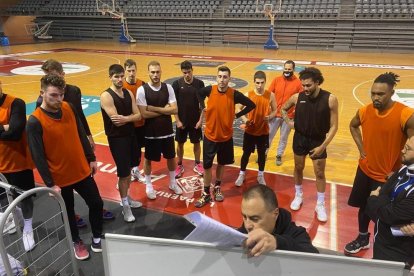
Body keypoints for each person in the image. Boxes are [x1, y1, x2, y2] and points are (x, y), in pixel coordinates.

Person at [27, 74, 104, 260]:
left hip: (81, 170)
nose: (59, 99)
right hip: (60, 179)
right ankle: (76, 240)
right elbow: (38, 157)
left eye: (61, 94)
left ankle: (96, 236)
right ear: (42, 93)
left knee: (96, 203)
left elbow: (80, 133)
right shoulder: (35, 121)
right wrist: (50, 184)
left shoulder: (68, 107)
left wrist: (91, 158)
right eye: (54, 95)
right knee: (68, 211)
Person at [37, 59, 114, 227]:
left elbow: (80, 116)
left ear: (62, 74)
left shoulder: (74, 91)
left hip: (77, 142)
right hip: (60, 155)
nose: (49, 78)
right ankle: (72, 215)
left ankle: (95, 208)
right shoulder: (41, 104)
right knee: (66, 195)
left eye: (52, 74)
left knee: (89, 180)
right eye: (46, 75)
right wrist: (49, 180)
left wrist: (89, 136)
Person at [345, 72, 414, 254]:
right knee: (364, 207)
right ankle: (362, 238)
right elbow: (352, 125)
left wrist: (400, 172)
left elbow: (412, 148)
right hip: (365, 169)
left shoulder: (405, 115)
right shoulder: (364, 111)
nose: (375, 97)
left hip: (388, 175)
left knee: (384, 215)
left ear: (392, 92)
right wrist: (361, 149)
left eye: (380, 94)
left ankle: (384, 246)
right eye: (373, 93)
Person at [281, 67, 338, 222]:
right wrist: (290, 123)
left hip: (318, 140)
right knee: (298, 168)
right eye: (303, 85)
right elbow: (283, 109)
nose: (305, 88)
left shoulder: (330, 99)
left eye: (308, 85)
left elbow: (334, 126)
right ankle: (298, 195)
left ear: (317, 83)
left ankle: (320, 204)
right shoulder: (297, 97)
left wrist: (323, 146)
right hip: (300, 138)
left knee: (319, 173)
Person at [194, 66, 255, 208]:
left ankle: (217, 187)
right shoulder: (210, 90)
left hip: (226, 137)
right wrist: (203, 105)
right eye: (220, 76)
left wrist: (238, 115)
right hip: (210, 136)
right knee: (207, 167)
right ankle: (206, 193)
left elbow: (251, 104)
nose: (222, 80)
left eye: (225, 77)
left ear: (229, 79)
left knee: (221, 163)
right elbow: (198, 93)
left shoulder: (234, 94)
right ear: (216, 78)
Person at [100, 64, 143, 223]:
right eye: (116, 77)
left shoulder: (128, 93)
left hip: (131, 136)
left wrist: (126, 119)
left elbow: (138, 115)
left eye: (121, 76)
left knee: (131, 170)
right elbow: (116, 121)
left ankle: (127, 198)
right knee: (123, 173)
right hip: (117, 139)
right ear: (110, 77)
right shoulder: (106, 96)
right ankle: (125, 206)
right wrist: (128, 118)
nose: (119, 79)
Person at [365, 136, 414, 269]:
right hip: (381, 240)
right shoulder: (405, 168)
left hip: (397, 251)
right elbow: (384, 194)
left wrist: (373, 199)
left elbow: (389, 214)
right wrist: (381, 204)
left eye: (408, 149)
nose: (402, 151)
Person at [136, 61, 183, 200]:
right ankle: (149, 185)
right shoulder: (142, 90)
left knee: (170, 157)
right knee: (149, 159)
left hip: (167, 131)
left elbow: (175, 109)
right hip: (151, 133)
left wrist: (154, 108)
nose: (155, 75)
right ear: (148, 73)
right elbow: (144, 114)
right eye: (152, 72)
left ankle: (173, 182)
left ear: (161, 72)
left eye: (157, 72)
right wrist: (165, 110)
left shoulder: (168, 88)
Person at [0, 79, 35, 252]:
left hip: (18, 162)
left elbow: (14, 132)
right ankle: (17, 218)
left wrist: (9, 128)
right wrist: (3, 127)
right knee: (7, 198)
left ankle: (28, 227)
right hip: (0, 166)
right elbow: (8, 129)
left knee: (25, 198)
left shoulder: (16, 103)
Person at [238, 185, 319, 256]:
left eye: (255, 219)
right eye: (244, 217)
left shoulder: (297, 234)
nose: (247, 226)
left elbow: (314, 258)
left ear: (275, 214)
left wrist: (278, 242)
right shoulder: (240, 234)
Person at [235, 71, 276, 186]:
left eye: (262, 83)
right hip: (250, 131)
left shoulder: (270, 95)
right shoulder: (248, 95)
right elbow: (238, 109)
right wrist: (245, 120)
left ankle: (260, 175)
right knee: (246, 154)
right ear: (254, 82)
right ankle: (242, 174)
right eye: (257, 83)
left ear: (265, 82)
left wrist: (270, 117)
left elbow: (275, 110)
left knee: (262, 155)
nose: (259, 85)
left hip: (263, 131)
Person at [172, 61, 205, 179]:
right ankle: (179, 165)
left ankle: (197, 164)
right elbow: (174, 105)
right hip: (182, 121)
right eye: (184, 72)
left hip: (195, 121)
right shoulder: (176, 84)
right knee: (180, 144)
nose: (187, 74)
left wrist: (200, 121)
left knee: (196, 143)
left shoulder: (200, 84)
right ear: (182, 72)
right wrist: (177, 121)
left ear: (192, 70)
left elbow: (202, 105)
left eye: (189, 72)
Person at [267, 60, 302, 166]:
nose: (287, 71)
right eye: (285, 69)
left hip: (288, 116)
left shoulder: (298, 83)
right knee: (268, 136)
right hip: (274, 115)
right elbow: (269, 94)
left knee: (283, 138)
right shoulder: (276, 80)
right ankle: (263, 154)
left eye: (289, 69)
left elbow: (299, 100)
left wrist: (295, 113)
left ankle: (279, 155)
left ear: (293, 69)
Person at [122, 59, 146, 183]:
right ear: (125, 71)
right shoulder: (121, 86)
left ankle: (135, 170)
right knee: (128, 149)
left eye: (133, 70)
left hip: (141, 124)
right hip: (128, 124)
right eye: (129, 70)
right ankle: (128, 171)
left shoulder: (142, 84)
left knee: (138, 149)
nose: (131, 73)